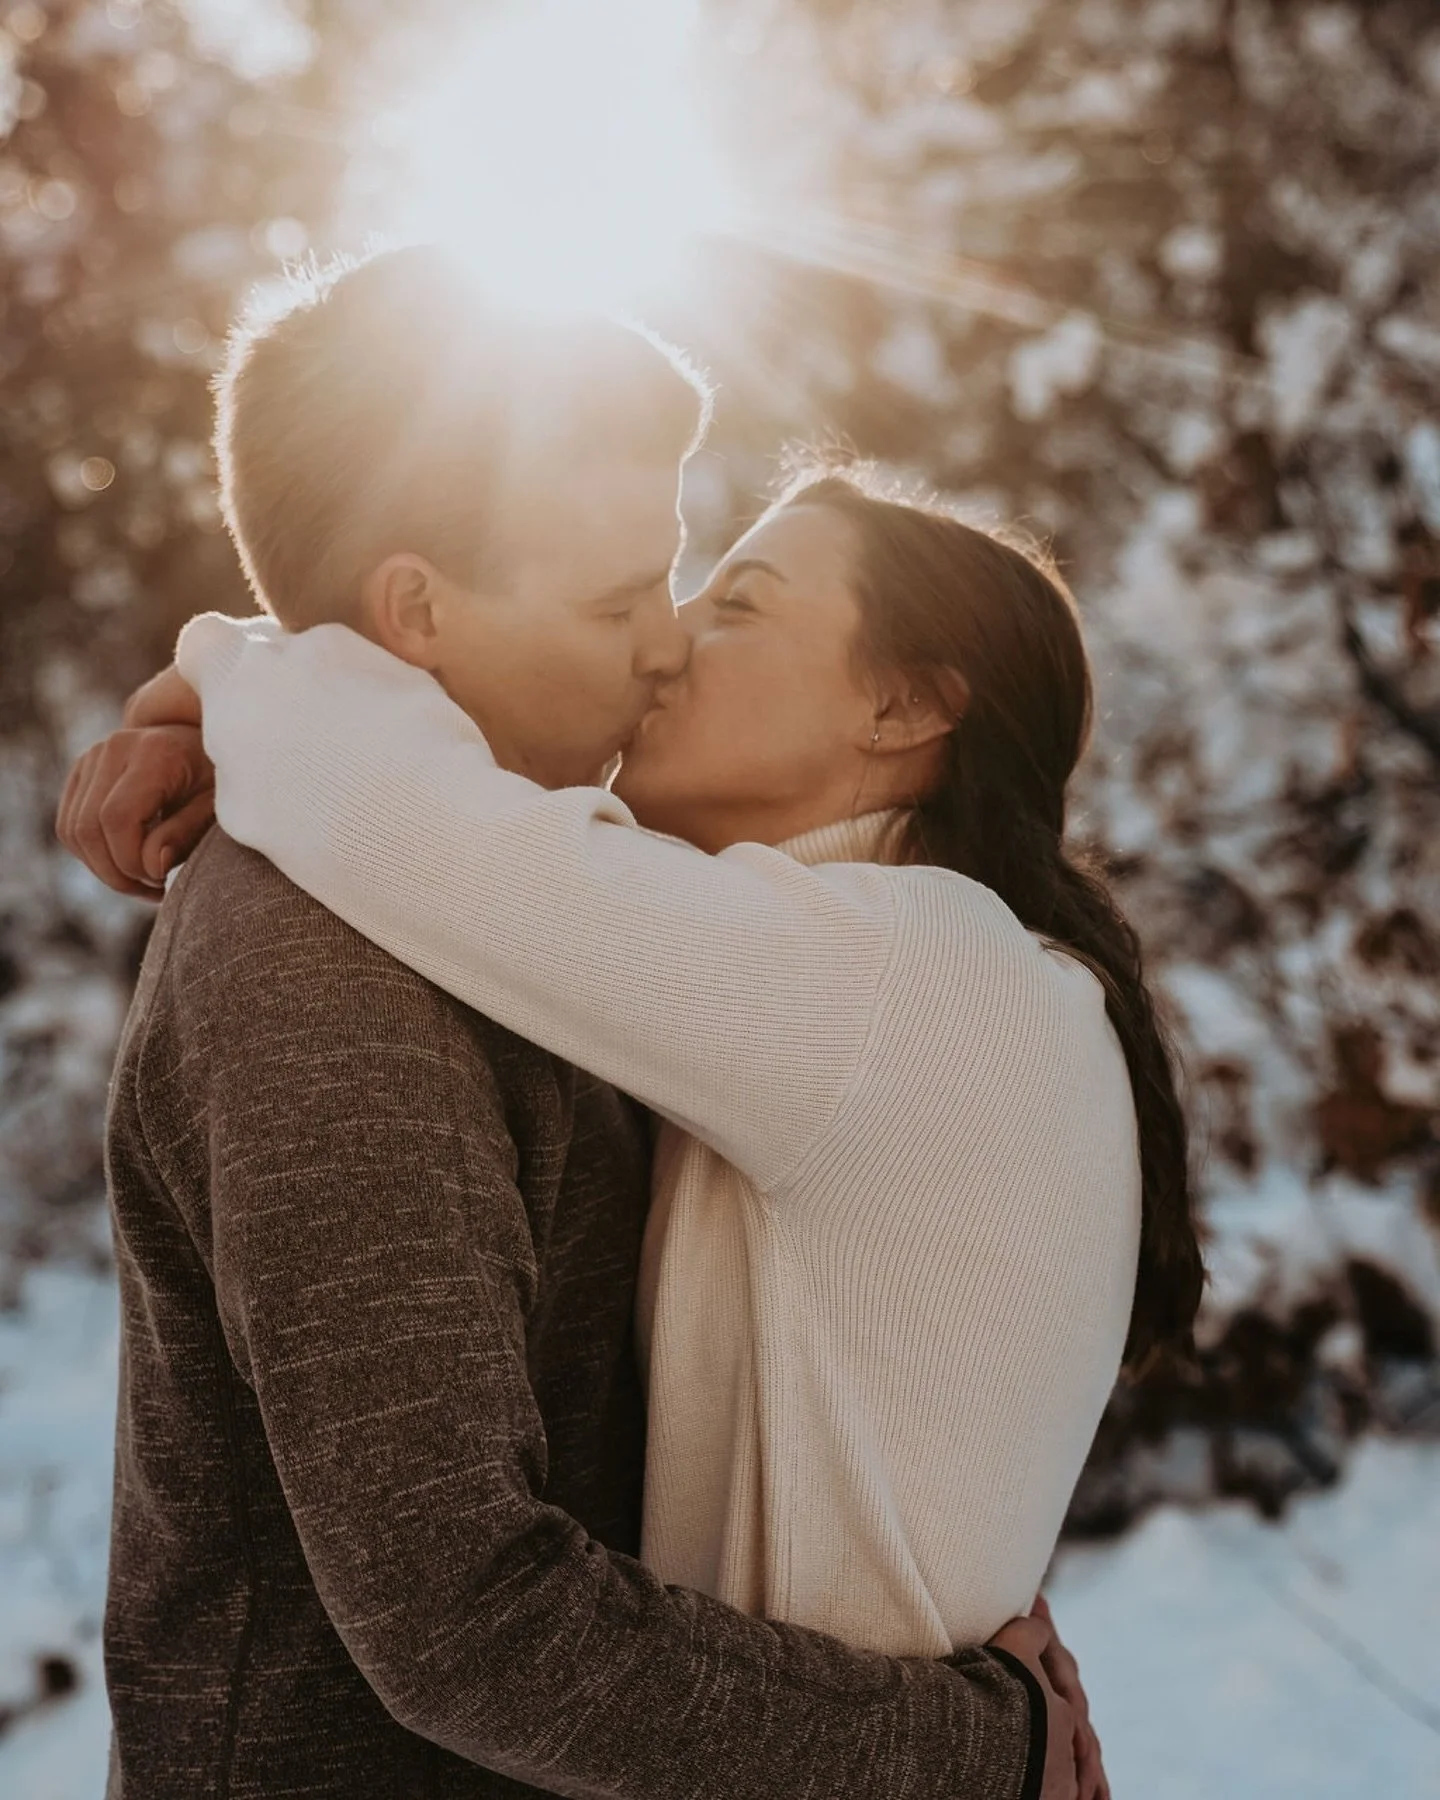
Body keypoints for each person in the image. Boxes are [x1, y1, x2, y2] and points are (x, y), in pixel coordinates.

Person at [58, 247, 1086, 1800]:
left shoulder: (597, 916)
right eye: (623, 598)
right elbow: (467, 1618)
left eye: (687, 587)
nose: (667, 642)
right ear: (416, 612)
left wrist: (232, 694)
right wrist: (973, 1748)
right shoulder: (329, 960)